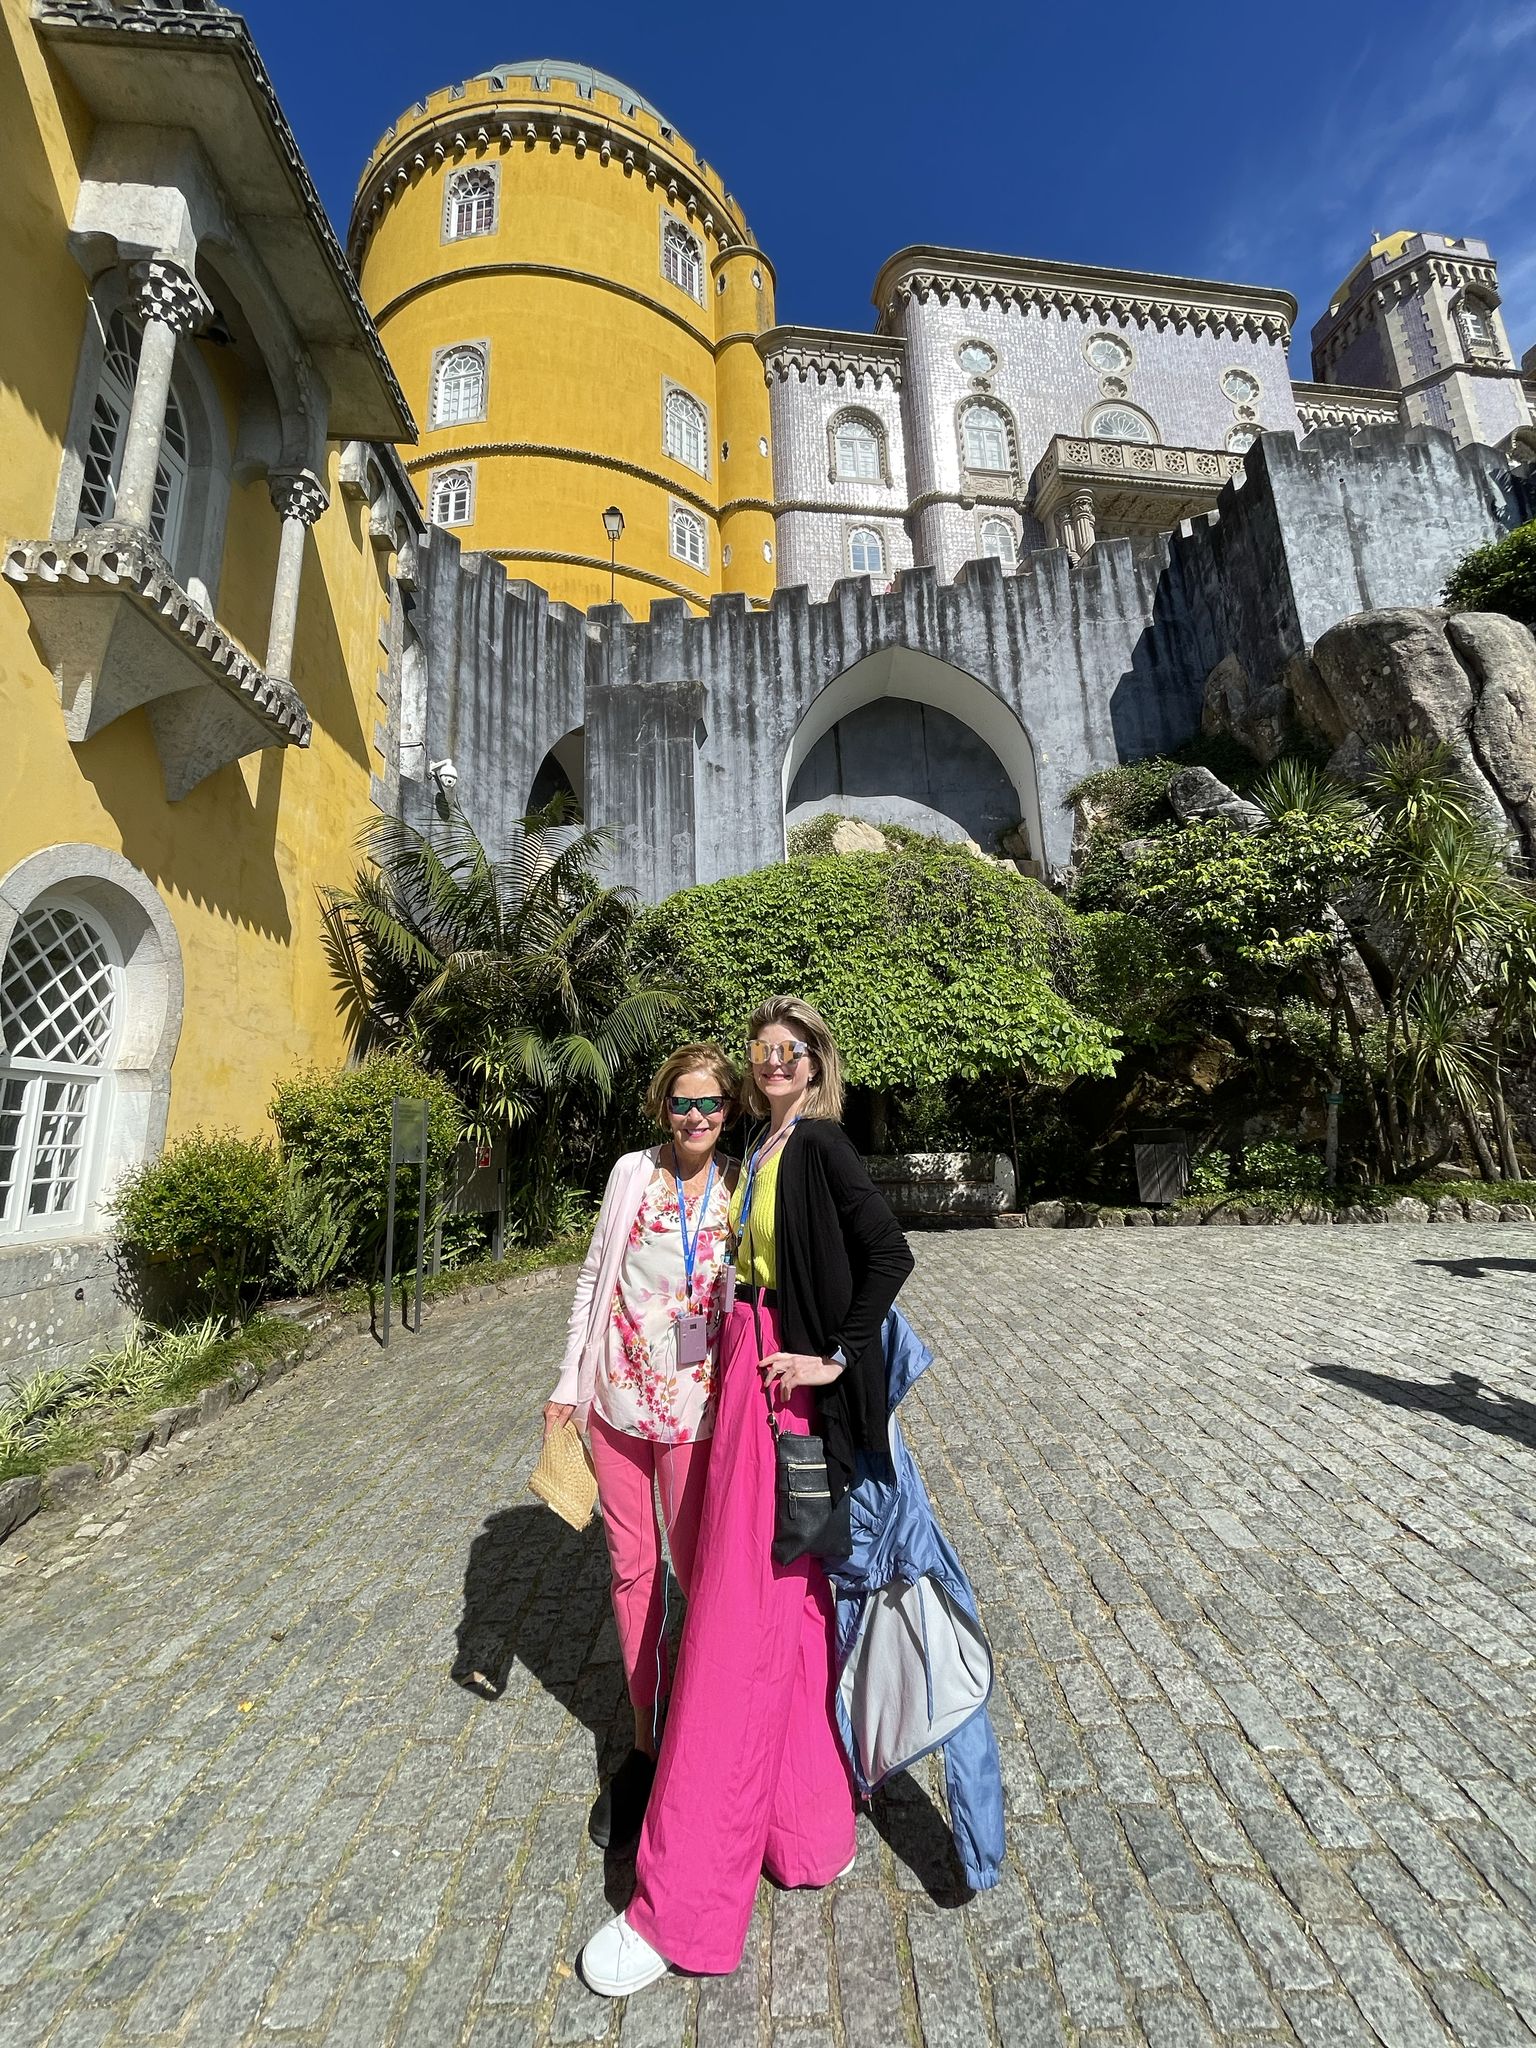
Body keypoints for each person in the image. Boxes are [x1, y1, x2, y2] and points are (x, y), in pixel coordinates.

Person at [580, 996, 915, 1996]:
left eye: (792, 1048)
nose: (774, 1059)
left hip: (775, 1388)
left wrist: (832, 1359)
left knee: (729, 1623)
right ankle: (808, 1827)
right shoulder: (766, 1147)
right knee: (787, 1616)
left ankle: (683, 1899)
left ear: (816, 1063)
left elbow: (889, 1252)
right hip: (740, 1371)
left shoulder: (813, 1143)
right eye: (762, 1048)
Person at [544, 1044, 739, 1851]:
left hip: (698, 1413)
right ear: (662, 1107)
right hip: (620, 1408)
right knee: (632, 1573)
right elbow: (595, 1277)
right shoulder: (631, 1173)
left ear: (730, 1109)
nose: (696, 1118)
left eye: (711, 1105)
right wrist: (567, 1384)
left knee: (697, 1575)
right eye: (681, 1104)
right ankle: (646, 1743)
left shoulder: (743, 1183)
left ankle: (702, 1729)